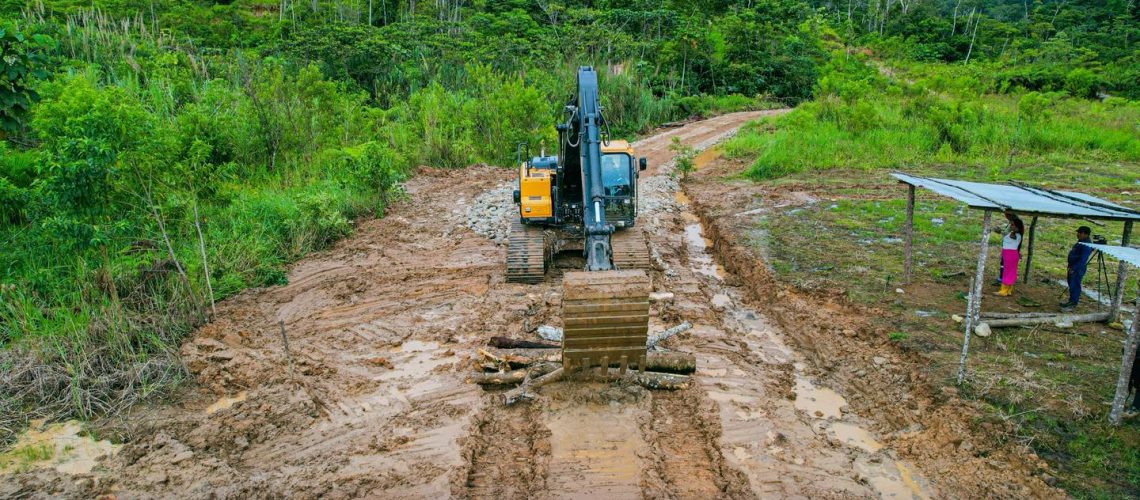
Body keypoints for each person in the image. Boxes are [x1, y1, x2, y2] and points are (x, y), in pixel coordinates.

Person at [1060, 226, 1094, 310]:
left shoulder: (1086, 245)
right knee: (1072, 284)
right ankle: (1071, 301)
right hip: (1073, 266)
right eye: (1078, 232)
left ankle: (1073, 303)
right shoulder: (1081, 242)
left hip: (1077, 268)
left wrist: (1074, 268)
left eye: (1080, 233)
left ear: (1085, 234)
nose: (1078, 234)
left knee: (1075, 285)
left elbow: (1083, 260)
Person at [992, 213, 1025, 286]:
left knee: (1007, 267)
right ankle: (1004, 281)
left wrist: (1001, 232)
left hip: (1010, 252)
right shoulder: (1013, 225)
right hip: (1008, 250)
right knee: (1005, 265)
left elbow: (1011, 236)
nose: (1006, 216)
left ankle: (1003, 281)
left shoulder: (1015, 230)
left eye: (1007, 215)